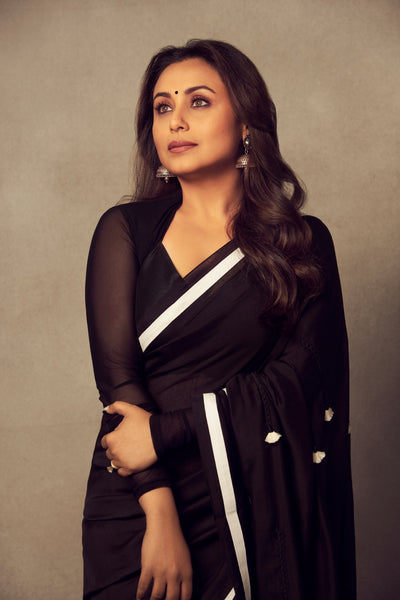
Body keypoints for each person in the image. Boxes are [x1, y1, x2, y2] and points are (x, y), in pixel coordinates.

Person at [82, 39, 356, 600]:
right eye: (162, 107)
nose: (176, 120)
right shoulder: (126, 231)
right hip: (138, 499)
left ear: (248, 122)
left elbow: (300, 379)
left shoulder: (300, 244)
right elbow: (119, 388)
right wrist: (161, 518)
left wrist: (167, 433)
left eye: (199, 101)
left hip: (258, 499)